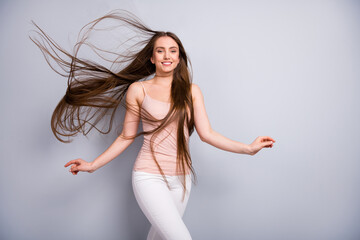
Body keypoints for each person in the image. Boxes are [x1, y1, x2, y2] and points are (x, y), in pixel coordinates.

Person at [30, 9, 275, 240]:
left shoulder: (192, 91)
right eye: (160, 51)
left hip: (182, 179)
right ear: (152, 57)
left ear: (179, 58)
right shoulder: (139, 90)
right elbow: (127, 137)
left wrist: (248, 148)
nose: (167, 56)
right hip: (149, 176)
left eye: (173, 51)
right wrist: (94, 165)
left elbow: (207, 134)